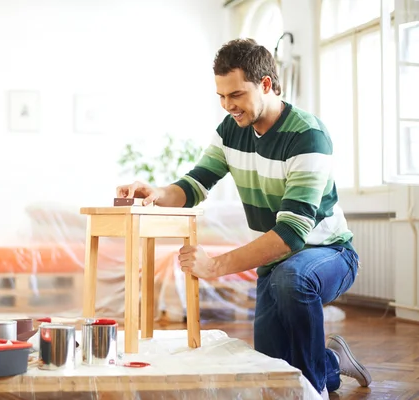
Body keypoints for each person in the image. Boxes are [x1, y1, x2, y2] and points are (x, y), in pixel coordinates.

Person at [116, 38, 371, 399]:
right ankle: (329, 362)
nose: (227, 105)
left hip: (329, 253)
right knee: (271, 365)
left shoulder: (307, 135)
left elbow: (292, 234)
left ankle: (314, 390)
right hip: (278, 264)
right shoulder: (231, 130)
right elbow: (195, 183)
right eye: (220, 96)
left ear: (266, 84)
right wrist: (156, 193)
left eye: (235, 94)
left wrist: (215, 265)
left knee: (291, 279)